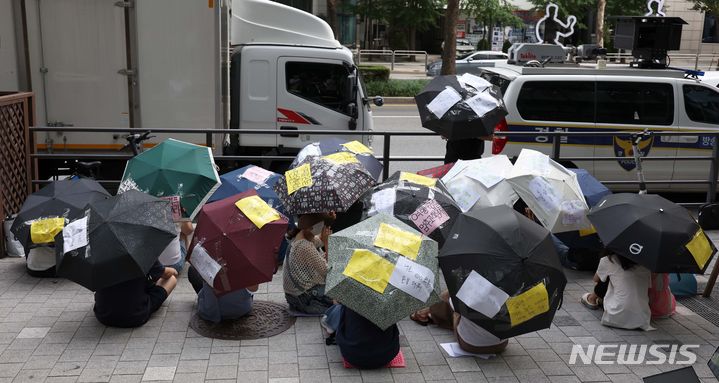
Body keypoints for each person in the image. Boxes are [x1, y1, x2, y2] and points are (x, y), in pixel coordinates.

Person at [412, 291, 508, 354]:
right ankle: (428, 313)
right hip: (501, 344)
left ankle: (427, 313)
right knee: (458, 306)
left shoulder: (472, 290)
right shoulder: (512, 291)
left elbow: (444, 298)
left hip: (471, 345)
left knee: (454, 310)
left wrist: (452, 290)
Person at [581, 253, 654, 331]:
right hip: (641, 319)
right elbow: (648, 287)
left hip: (615, 315)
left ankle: (592, 299)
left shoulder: (608, 260)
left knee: (606, 277)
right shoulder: (645, 264)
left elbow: (596, 279)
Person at [94, 260, 177, 328]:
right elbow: (166, 274)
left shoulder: (98, 255)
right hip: (135, 315)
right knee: (171, 279)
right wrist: (173, 270)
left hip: (104, 314)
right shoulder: (140, 253)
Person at [283, 213, 335, 314]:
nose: (321, 230)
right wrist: (327, 244)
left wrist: (330, 220)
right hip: (302, 298)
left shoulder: (300, 236)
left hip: (294, 295)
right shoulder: (304, 246)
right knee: (339, 296)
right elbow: (328, 271)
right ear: (310, 228)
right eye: (321, 227)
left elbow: (319, 240)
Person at [323, 304, 401, 369]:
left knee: (338, 311)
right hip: (386, 356)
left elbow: (331, 329)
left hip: (353, 356)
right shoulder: (390, 303)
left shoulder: (351, 298)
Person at [187, 265, 258, 323]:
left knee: (192, 270)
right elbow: (254, 289)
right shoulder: (246, 264)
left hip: (212, 310)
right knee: (249, 289)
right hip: (242, 310)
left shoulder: (211, 257)